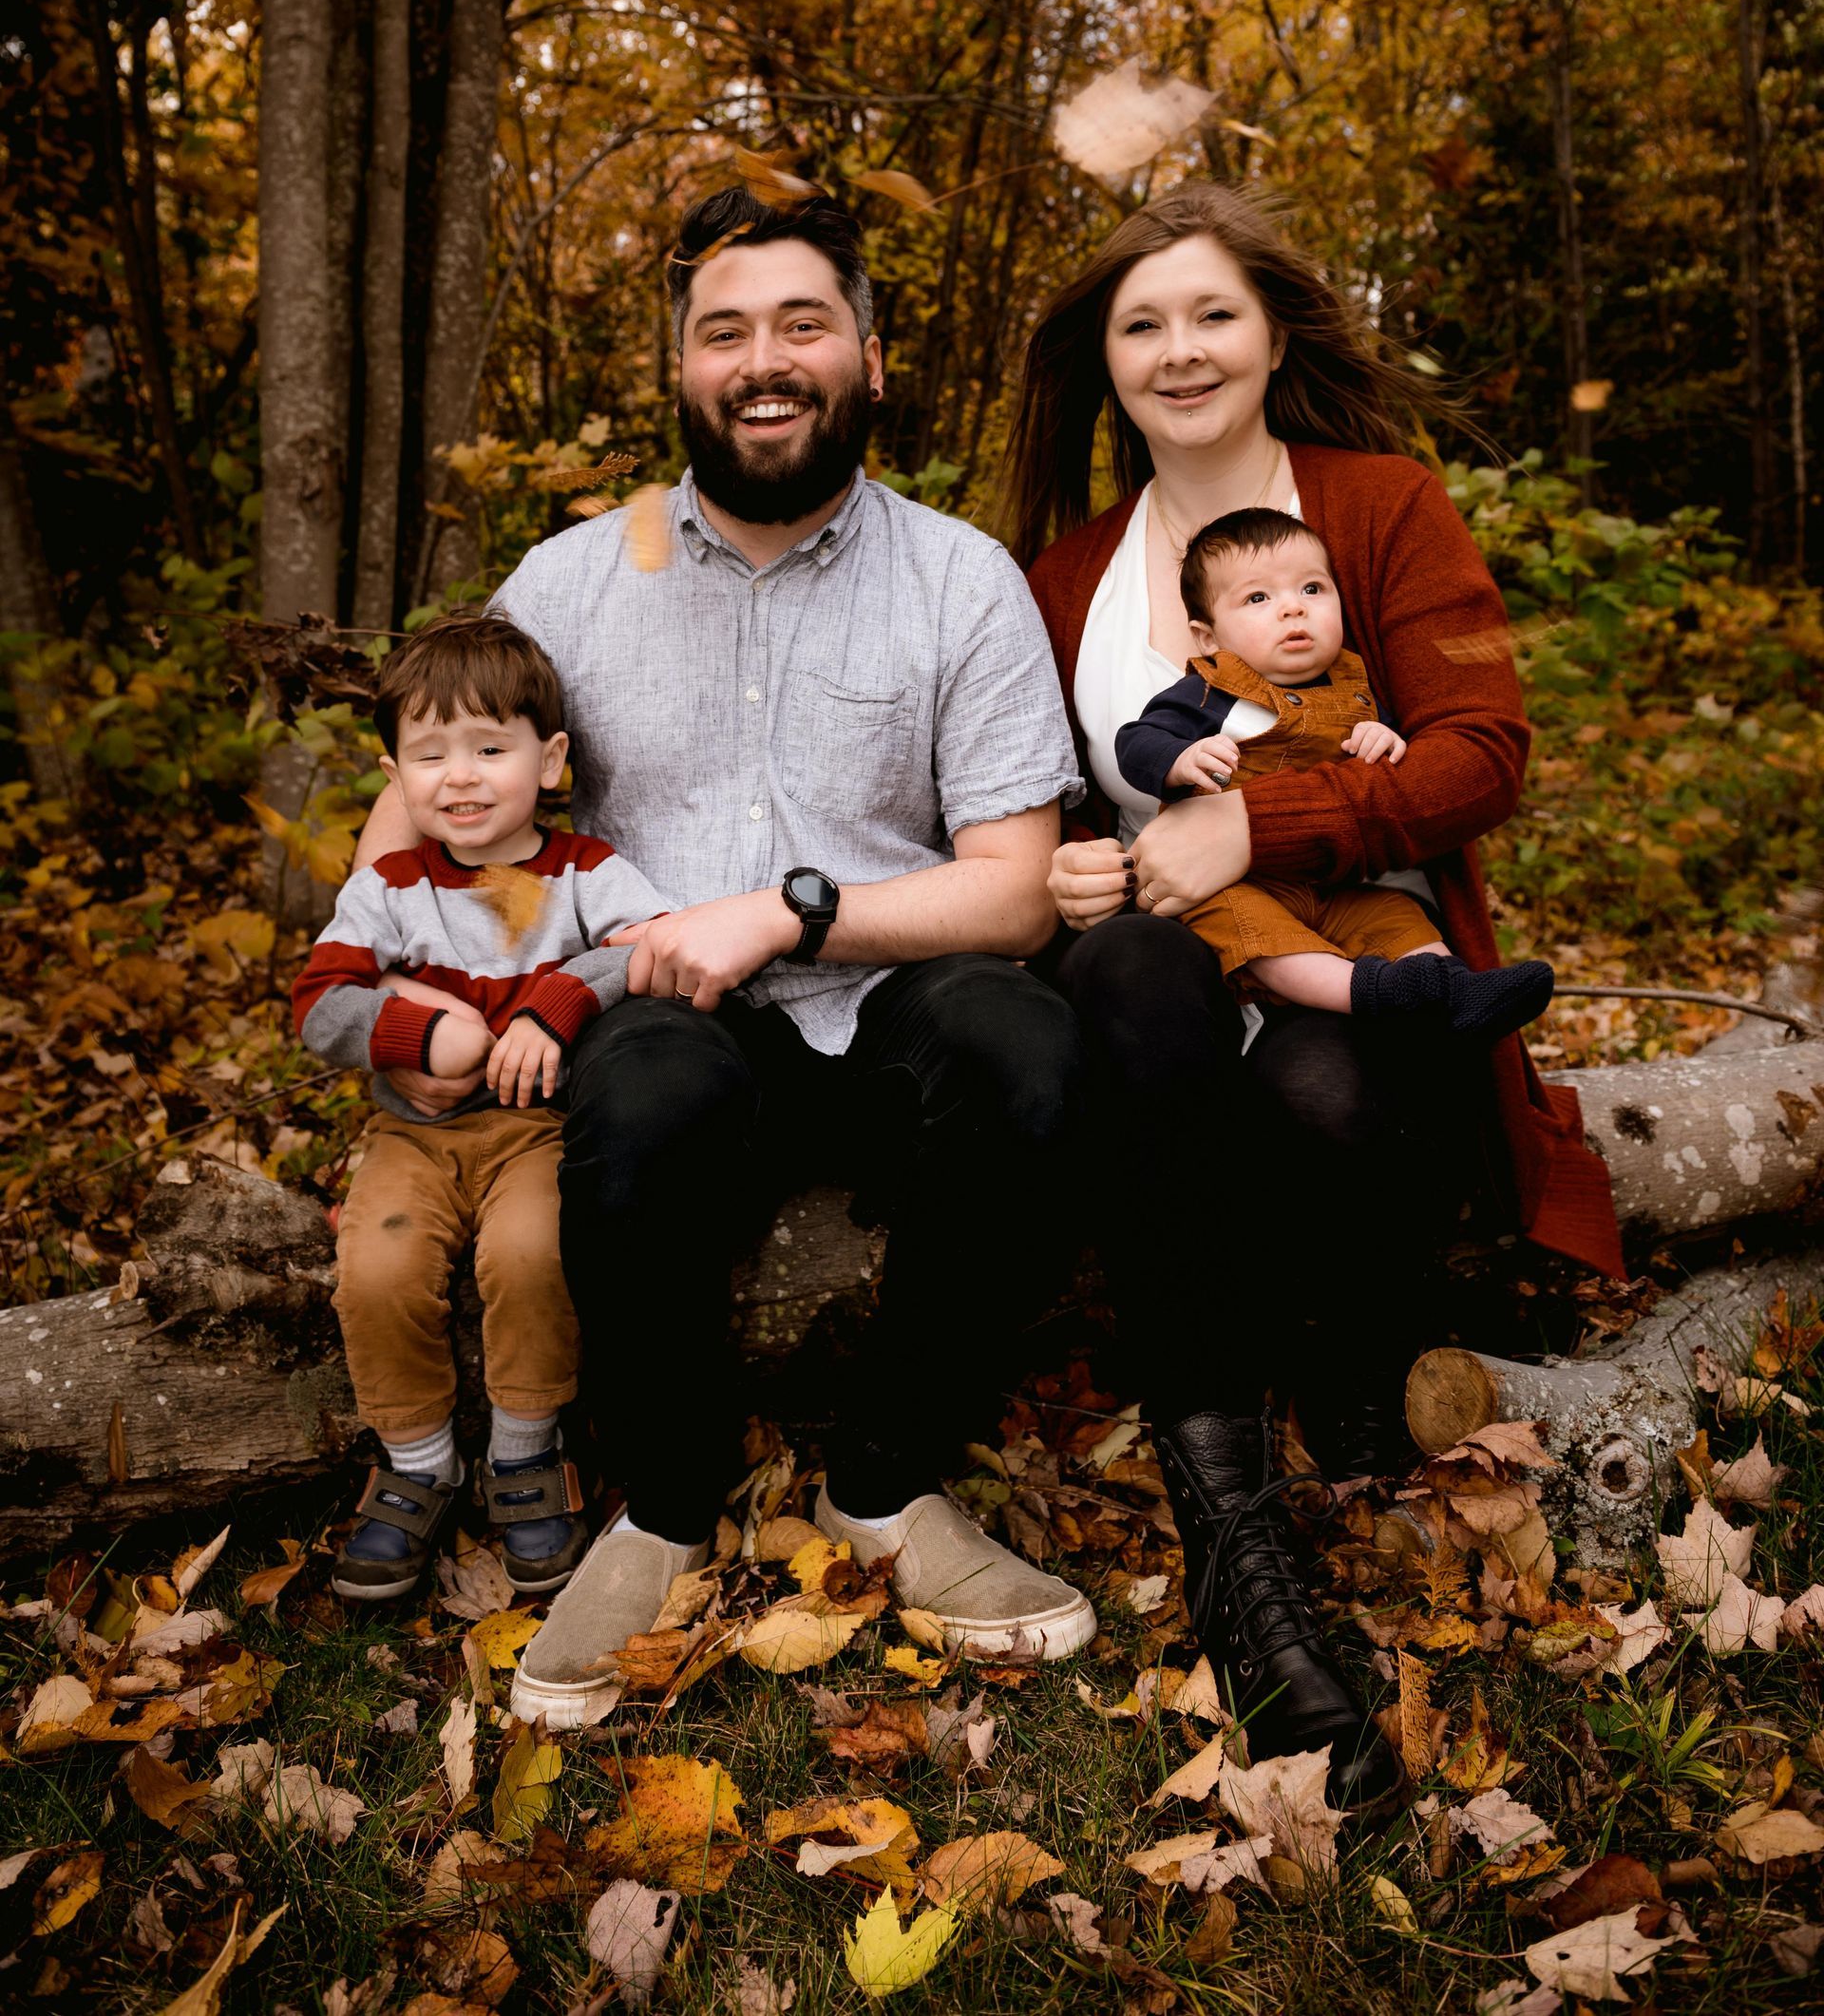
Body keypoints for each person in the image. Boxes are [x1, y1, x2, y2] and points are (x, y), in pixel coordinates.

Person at [351, 185, 1098, 1730]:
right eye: (725, 331)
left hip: (891, 994)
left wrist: (793, 911)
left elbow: (1018, 892)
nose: (764, 359)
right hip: (673, 1026)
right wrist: (397, 991)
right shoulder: (570, 578)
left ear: (871, 360)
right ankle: (672, 1503)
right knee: (633, 1082)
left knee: (1027, 1044)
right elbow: (412, 809)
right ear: (684, 370)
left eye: (803, 324)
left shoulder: (962, 579)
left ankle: (887, 1485)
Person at [1011, 181, 1622, 1805]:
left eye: (1212, 311)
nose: (1180, 348)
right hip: (1168, 979)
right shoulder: (1065, 570)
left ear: (1277, 329)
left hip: (1358, 960)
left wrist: (1259, 818)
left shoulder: (1380, 503)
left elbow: (1482, 755)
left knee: (1326, 1088)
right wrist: (1074, 862)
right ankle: (1235, 1540)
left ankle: (1350, 1338)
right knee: (1133, 964)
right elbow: (1046, 803)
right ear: (1106, 363)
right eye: (1142, 323)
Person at [294, 615, 668, 1604]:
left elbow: (652, 950)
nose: (458, 777)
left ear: (548, 762)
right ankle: (417, 1460)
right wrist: (414, 1035)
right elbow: (318, 1003)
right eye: (429, 754)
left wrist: (558, 1000)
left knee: (533, 1253)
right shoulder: (390, 887)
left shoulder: (584, 870)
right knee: (378, 1263)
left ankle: (524, 1454)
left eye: (488, 748)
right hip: (413, 1135)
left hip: (540, 1130)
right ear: (395, 772)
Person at [1114, 505, 1554, 1038]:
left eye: (1312, 590)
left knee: (1396, 914)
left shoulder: (1356, 686)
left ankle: (1454, 991)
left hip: (1335, 880)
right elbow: (1135, 742)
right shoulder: (1210, 692)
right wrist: (1178, 759)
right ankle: (1367, 995)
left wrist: (1385, 738)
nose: (1292, 610)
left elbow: (1402, 765)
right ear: (1207, 637)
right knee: (1255, 934)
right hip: (1235, 882)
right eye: (1258, 598)